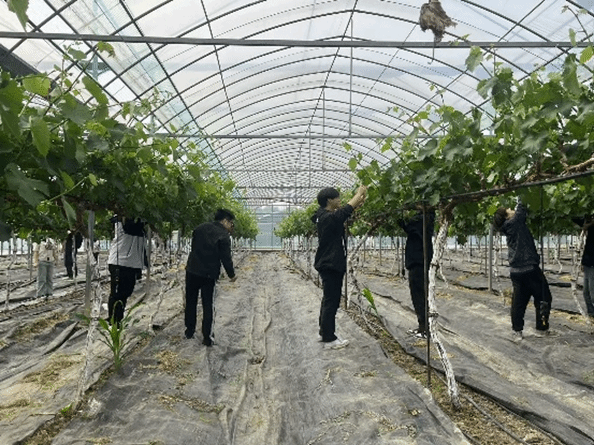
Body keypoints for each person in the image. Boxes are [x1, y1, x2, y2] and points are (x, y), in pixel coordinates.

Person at [311, 185, 367, 350]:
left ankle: (324, 332)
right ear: (329, 200)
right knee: (332, 301)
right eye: (337, 198)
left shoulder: (322, 216)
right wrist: (359, 193)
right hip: (331, 264)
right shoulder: (327, 218)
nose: (340, 200)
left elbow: (344, 213)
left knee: (328, 299)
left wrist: (359, 202)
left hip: (328, 263)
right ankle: (329, 338)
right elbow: (345, 211)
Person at [493, 198, 552, 341]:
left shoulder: (508, 227)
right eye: (509, 210)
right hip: (529, 269)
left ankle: (517, 331)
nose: (512, 210)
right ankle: (541, 328)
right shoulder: (514, 223)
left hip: (516, 272)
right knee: (544, 296)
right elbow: (522, 205)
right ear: (507, 216)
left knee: (519, 302)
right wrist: (521, 194)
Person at [185, 209, 237, 346]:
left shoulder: (199, 228)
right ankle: (207, 337)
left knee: (190, 301)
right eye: (230, 222)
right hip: (209, 274)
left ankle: (189, 331)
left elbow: (193, 248)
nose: (231, 225)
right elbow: (226, 258)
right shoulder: (223, 235)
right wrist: (231, 275)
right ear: (224, 220)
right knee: (208, 304)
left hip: (192, 270)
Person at [398, 208, 435, 339]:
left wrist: (401, 220)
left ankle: (425, 329)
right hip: (419, 262)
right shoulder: (426, 218)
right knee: (420, 295)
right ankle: (423, 327)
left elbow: (410, 228)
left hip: (418, 262)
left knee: (419, 295)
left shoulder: (423, 218)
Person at [107, 216, 147, 325]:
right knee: (117, 294)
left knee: (125, 293)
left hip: (131, 265)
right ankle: (113, 322)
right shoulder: (121, 224)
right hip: (119, 263)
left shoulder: (140, 227)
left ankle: (118, 319)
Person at [572, 216, 594, 318]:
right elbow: (575, 218)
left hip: (592, 265)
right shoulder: (590, 226)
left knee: (592, 293)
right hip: (587, 263)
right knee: (586, 293)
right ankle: (591, 314)